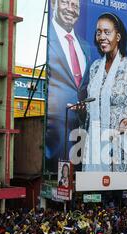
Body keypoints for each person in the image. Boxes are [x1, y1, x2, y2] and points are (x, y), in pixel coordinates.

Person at [82, 12, 127, 172]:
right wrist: (82, 109)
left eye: (107, 32)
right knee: (94, 191)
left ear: (118, 36)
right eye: (99, 32)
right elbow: (93, 103)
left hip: (121, 145)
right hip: (96, 143)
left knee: (119, 193)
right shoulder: (95, 68)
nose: (102, 37)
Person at [45, 0, 91, 173]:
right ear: (53, 5)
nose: (71, 9)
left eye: (75, 5)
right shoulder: (47, 36)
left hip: (79, 138)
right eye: (65, 3)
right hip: (54, 138)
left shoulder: (85, 46)